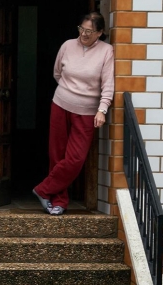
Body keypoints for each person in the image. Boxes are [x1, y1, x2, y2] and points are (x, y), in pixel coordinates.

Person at [33, 12, 114, 216]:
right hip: (60, 104)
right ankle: (59, 201)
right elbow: (57, 72)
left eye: (89, 31)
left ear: (100, 33)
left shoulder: (106, 51)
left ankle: (43, 190)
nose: (84, 34)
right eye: (81, 29)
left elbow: (108, 84)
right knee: (56, 155)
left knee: (75, 158)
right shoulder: (68, 45)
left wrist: (102, 110)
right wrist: (69, 92)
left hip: (87, 112)